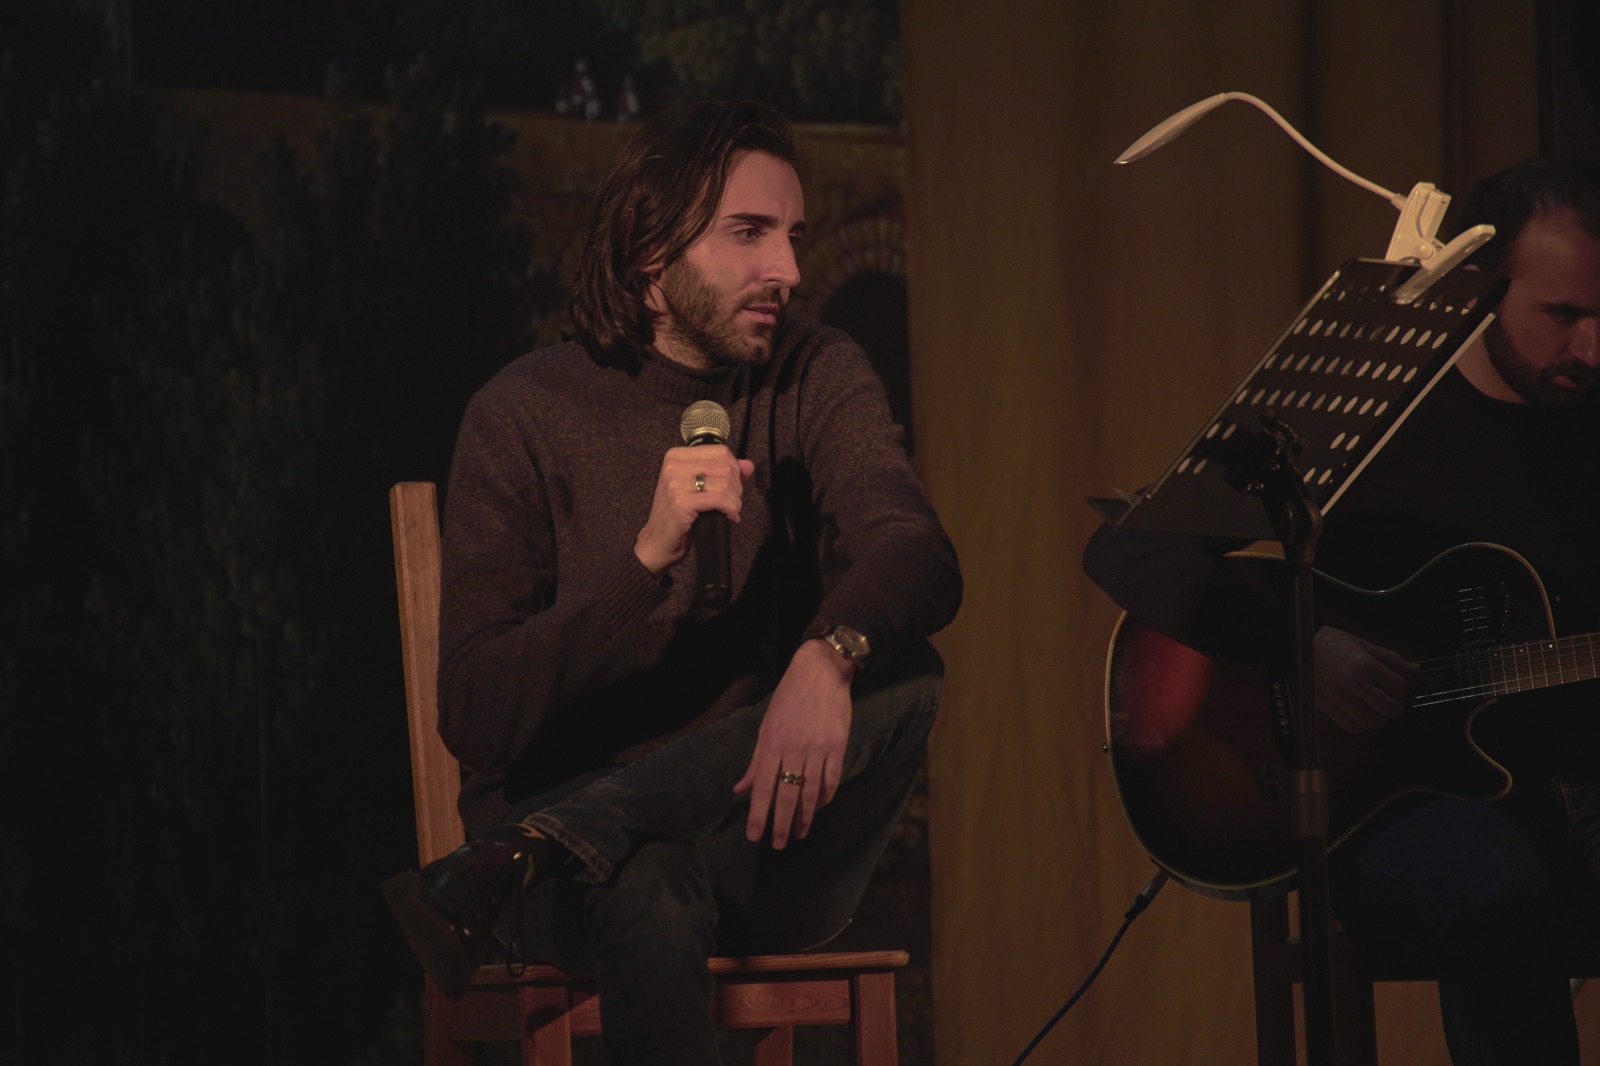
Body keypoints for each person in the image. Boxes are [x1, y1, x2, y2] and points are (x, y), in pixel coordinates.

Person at [381, 98, 961, 1064]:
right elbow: (476, 715)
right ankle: (556, 846)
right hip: (569, 896)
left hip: (761, 838)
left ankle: (544, 840)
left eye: (793, 236)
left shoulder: (815, 371)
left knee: (908, 666)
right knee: (647, 880)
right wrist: (644, 560)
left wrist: (827, 655)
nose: (788, 269)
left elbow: (916, 552)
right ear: (650, 254)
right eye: (749, 233)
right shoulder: (523, 414)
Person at [1084, 156, 1600, 1065]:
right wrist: (1299, 648)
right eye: (1563, 315)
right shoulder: (1371, 410)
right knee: (1499, 892)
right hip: (1394, 806)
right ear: (1481, 289)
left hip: (1574, 786)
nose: (1591, 349)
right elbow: (1129, 549)